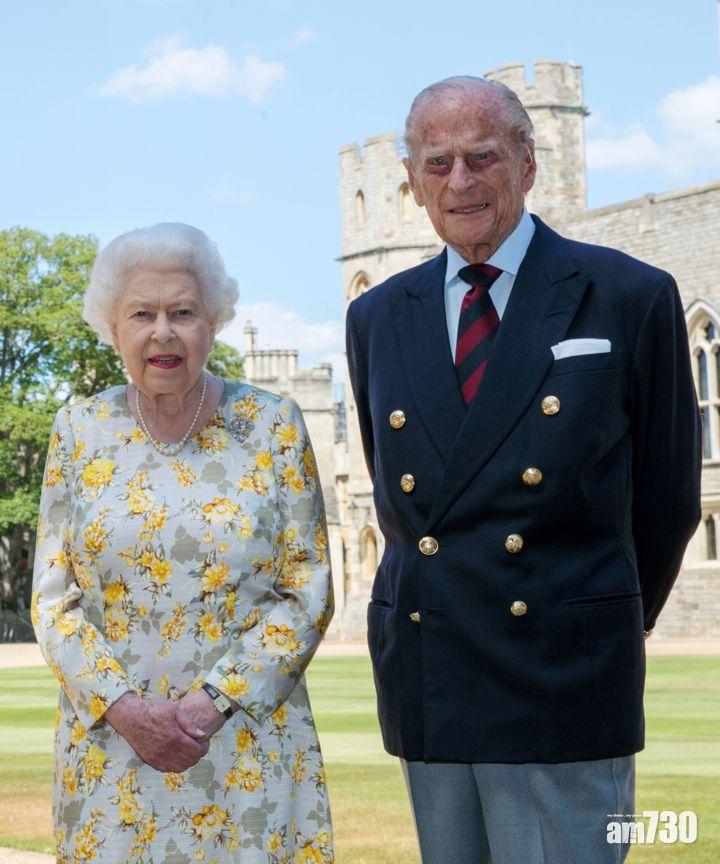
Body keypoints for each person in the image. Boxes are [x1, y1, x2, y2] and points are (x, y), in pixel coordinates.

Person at [345, 77, 702, 863]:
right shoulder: (377, 315)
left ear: (529, 164)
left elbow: (671, 498)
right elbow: (397, 493)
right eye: (437, 164)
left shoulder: (627, 295)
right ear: (411, 182)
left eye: (482, 157)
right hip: (432, 676)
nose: (460, 182)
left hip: (563, 675)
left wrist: (589, 615)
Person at [32, 222, 334, 863]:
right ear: (113, 328)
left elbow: (307, 588)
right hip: (113, 751)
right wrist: (125, 710)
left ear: (214, 323)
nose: (163, 332)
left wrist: (212, 703)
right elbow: (54, 598)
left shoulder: (274, 425)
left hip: (245, 745)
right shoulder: (78, 429)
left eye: (184, 312)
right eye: (142, 313)